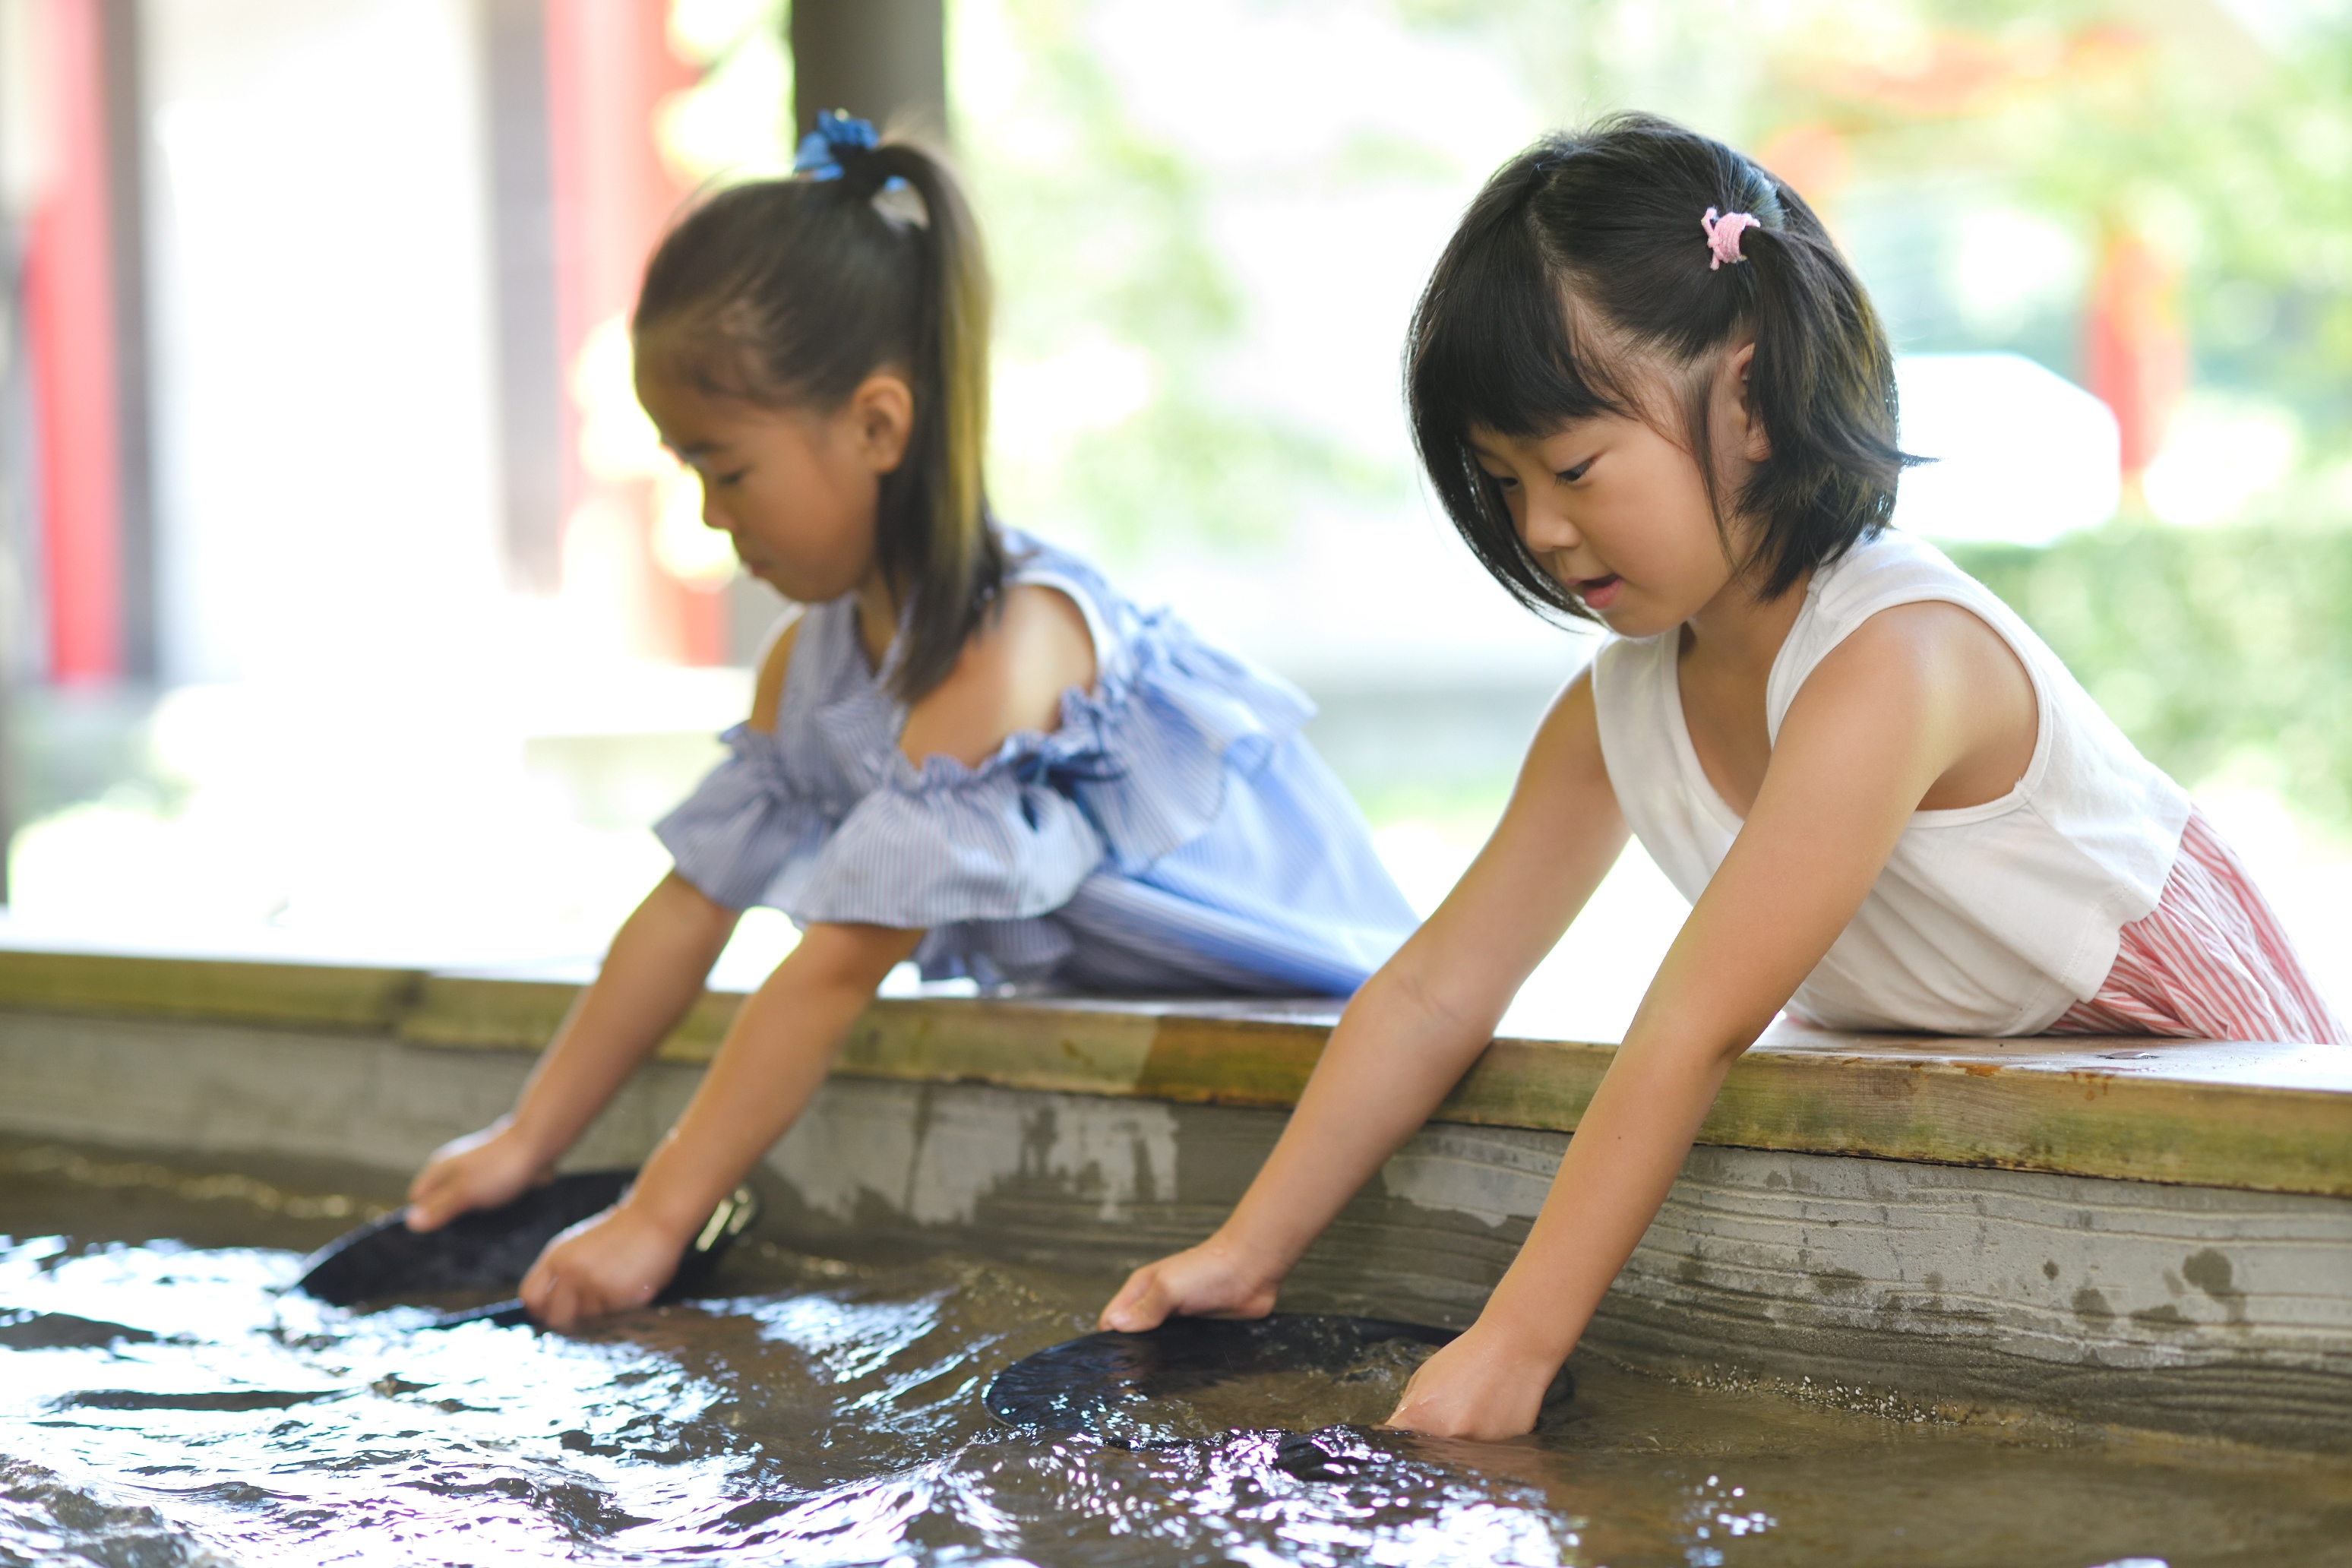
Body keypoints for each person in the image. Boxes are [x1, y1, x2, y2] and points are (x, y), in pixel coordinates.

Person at [1099, 114, 2346, 1441]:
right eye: (1503, 480)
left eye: (1574, 467)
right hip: (1971, 1115)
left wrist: (1514, 1343)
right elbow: (1431, 986)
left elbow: (1691, 1026)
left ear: (1746, 400)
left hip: (2205, 1097)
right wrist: (1246, 1252)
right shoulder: (1618, 709)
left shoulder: (1895, 660)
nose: (1539, 526)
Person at [403, 114, 1418, 1326]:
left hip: (1335, 998)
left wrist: (657, 1219)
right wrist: (529, 1138)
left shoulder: (1012, 647)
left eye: (727, 468)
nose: (714, 517)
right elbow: (688, 906)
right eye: (688, 472)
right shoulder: (810, 665)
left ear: (879, 425)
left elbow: (832, 974)